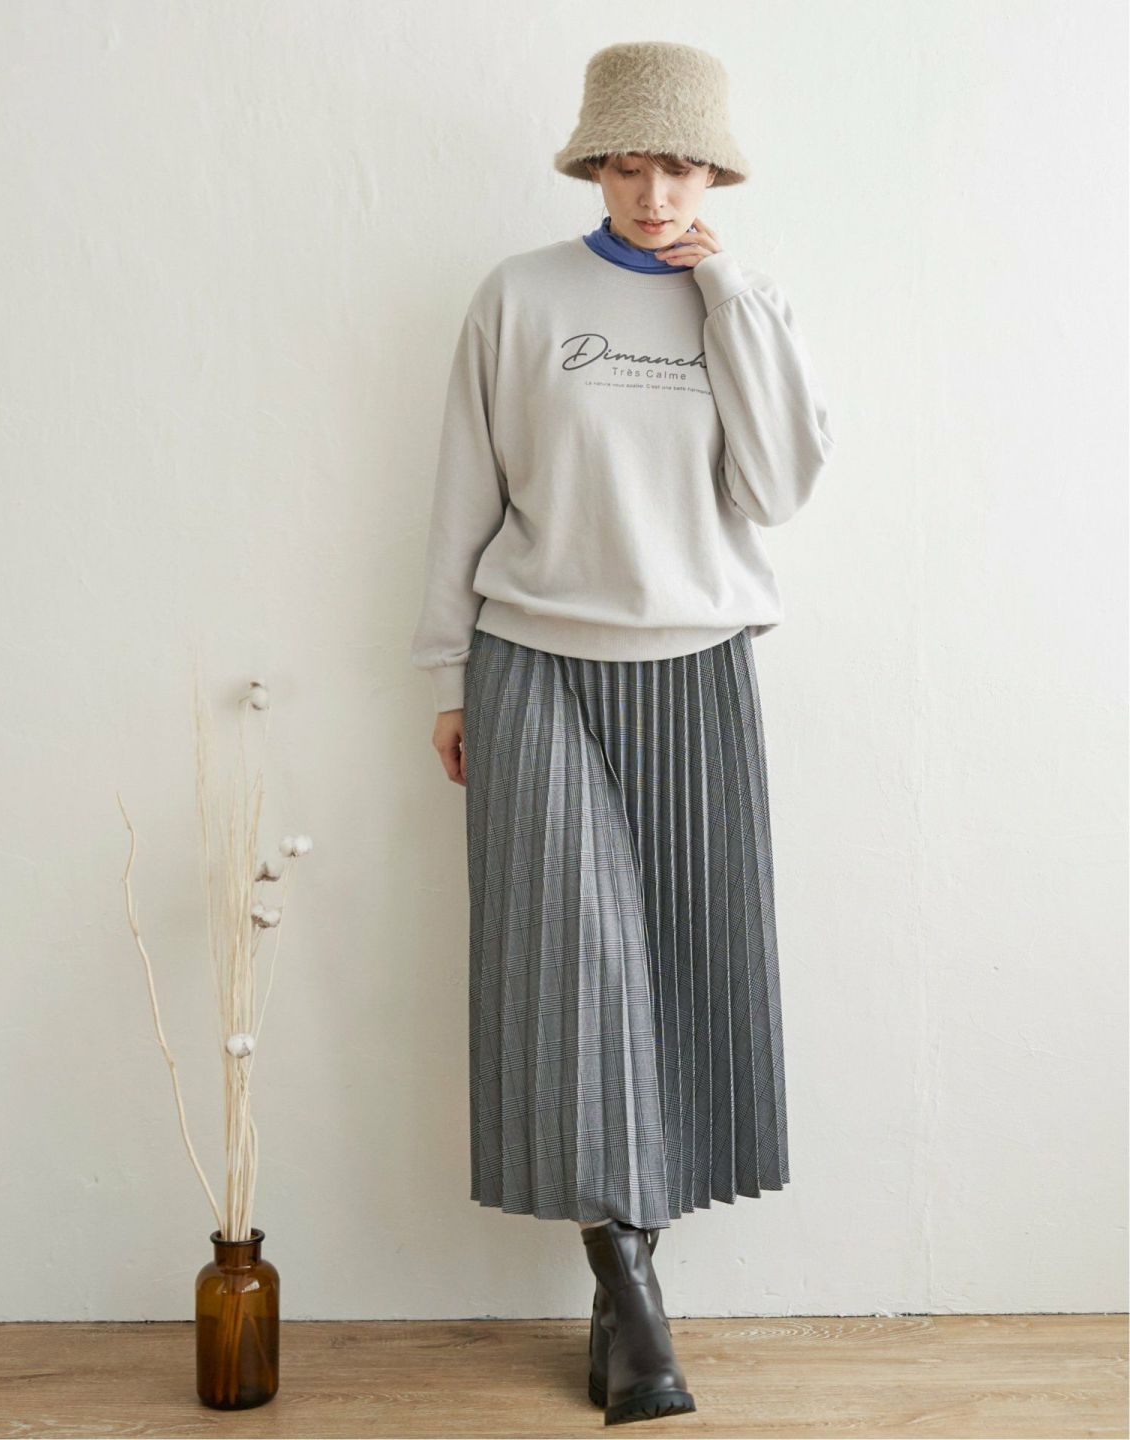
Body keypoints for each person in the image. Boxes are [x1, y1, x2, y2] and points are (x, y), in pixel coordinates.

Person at [410, 39, 835, 1427]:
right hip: (532, 661)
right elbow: (463, 490)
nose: (656, 194)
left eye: (684, 168)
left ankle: (626, 1290)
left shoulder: (747, 303)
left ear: (718, 175)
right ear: (595, 164)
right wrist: (447, 672)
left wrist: (729, 300)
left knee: (692, 974)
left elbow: (779, 487)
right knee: (567, 972)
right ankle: (634, 1297)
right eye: (632, 165)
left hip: (697, 667)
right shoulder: (520, 297)